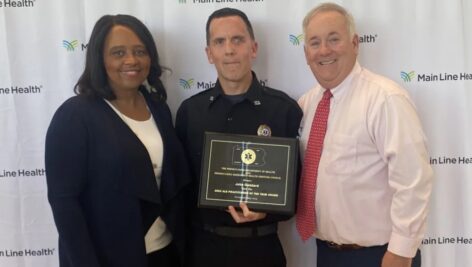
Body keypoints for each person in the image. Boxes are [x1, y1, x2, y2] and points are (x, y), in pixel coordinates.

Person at [45, 14, 190, 267]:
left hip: (165, 253)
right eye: (118, 52)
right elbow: (64, 203)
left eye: (139, 51)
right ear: (99, 59)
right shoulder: (75, 116)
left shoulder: (158, 108)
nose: (131, 60)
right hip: (109, 258)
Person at [296, 3, 433, 267]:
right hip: (326, 253)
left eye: (334, 39)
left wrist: (401, 253)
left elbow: (413, 181)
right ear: (306, 53)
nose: (324, 50)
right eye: (315, 43)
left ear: (355, 43)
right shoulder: (307, 104)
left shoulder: (385, 98)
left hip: (380, 256)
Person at [175, 7, 302, 267]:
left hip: (262, 251)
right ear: (209, 54)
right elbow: (182, 190)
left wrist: (267, 209)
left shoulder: (284, 110)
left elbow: (297, 189)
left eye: (237, 40)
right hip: (204, 251)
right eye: (219, 42)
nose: (229, 50)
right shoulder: (191, 112)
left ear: (253, 48)